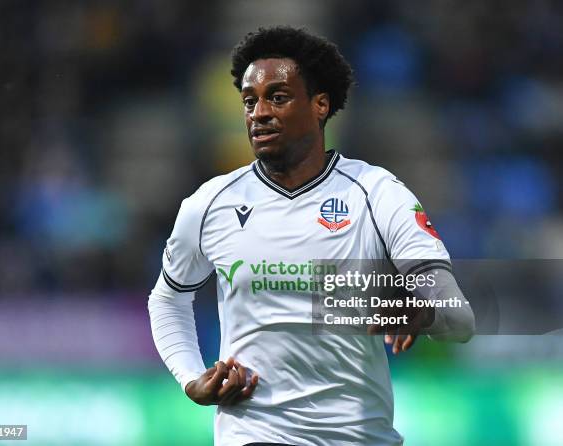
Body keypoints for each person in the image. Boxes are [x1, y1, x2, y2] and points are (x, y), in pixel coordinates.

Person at [148, 26, 475, 446]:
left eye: (278, 97)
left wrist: (424, 312)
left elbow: (460, 318)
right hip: (253, 432)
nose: (259, 113)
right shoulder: (210, 203)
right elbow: (168, 298)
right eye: (250, 101)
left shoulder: (376, 193)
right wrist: (192, 378)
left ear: (320, 105)